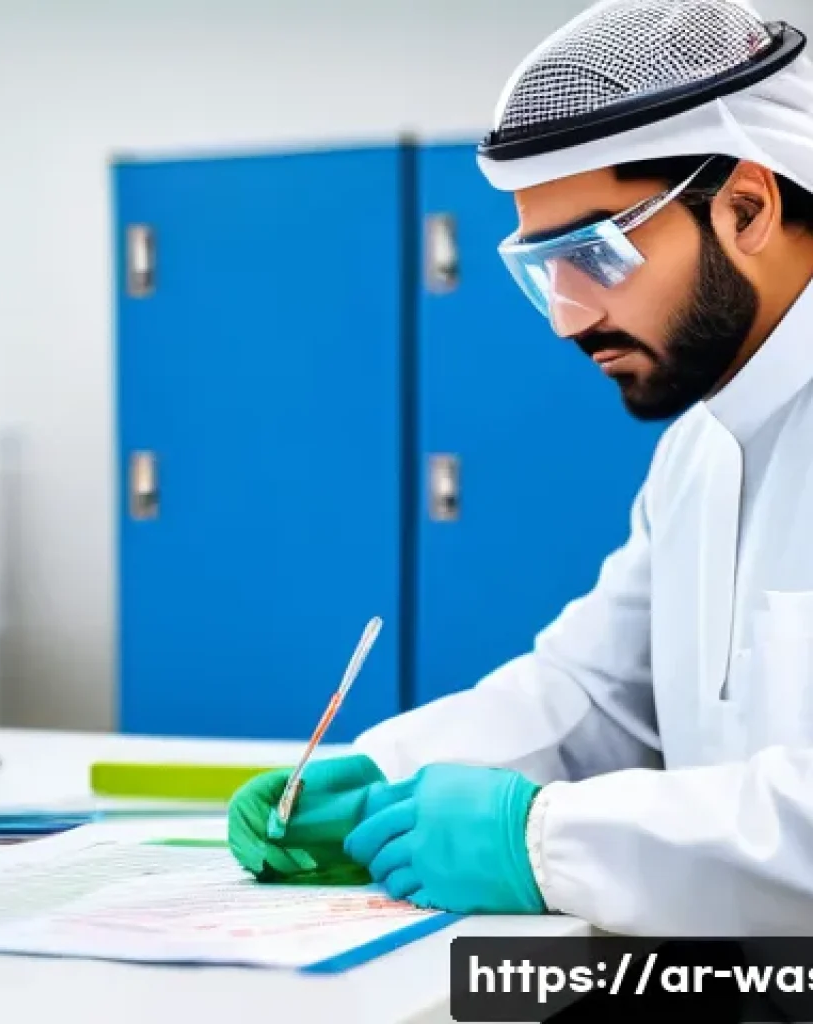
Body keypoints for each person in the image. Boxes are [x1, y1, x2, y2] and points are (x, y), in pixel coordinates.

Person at [228, 0, 813, 937]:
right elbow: (598, 695)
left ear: (748, 207)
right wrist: (388, 775)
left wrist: (540, 842)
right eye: (544, 267)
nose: (569, 317)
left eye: (596, 255)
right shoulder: (699, 452)